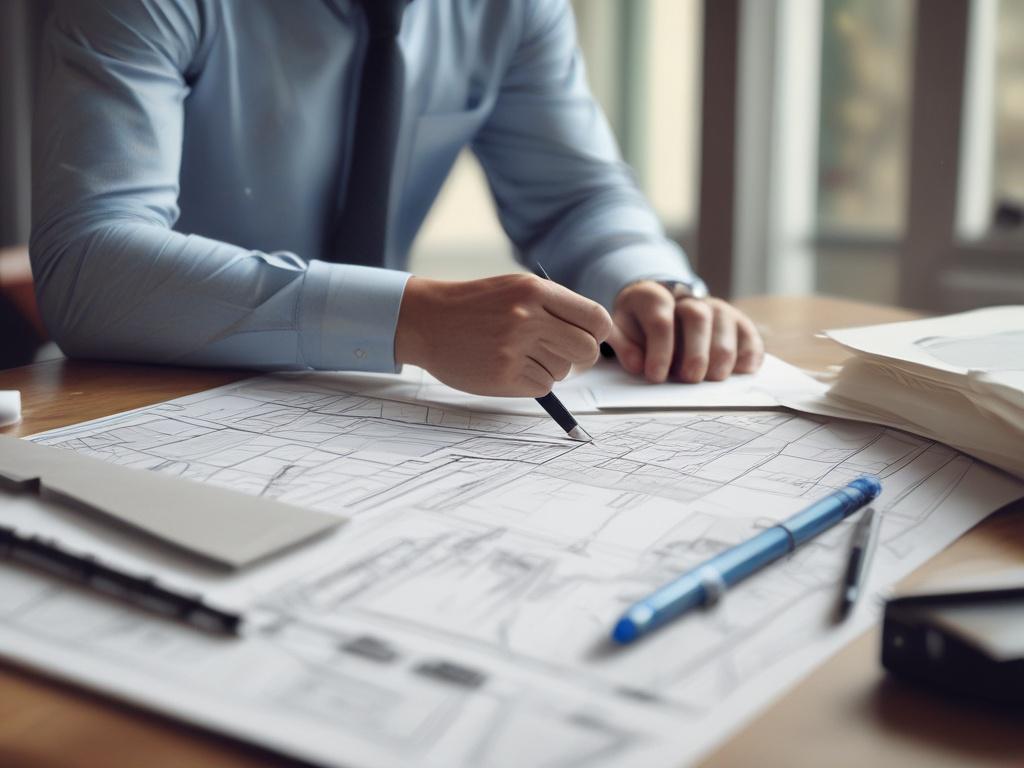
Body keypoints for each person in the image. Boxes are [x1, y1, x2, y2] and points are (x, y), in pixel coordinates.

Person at [31, 0, 764, 398]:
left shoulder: (516, 11)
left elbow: (578, 196)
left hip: (370, 407)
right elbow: (87, 264)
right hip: (142, 400)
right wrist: (416, 318)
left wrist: (648, 282)